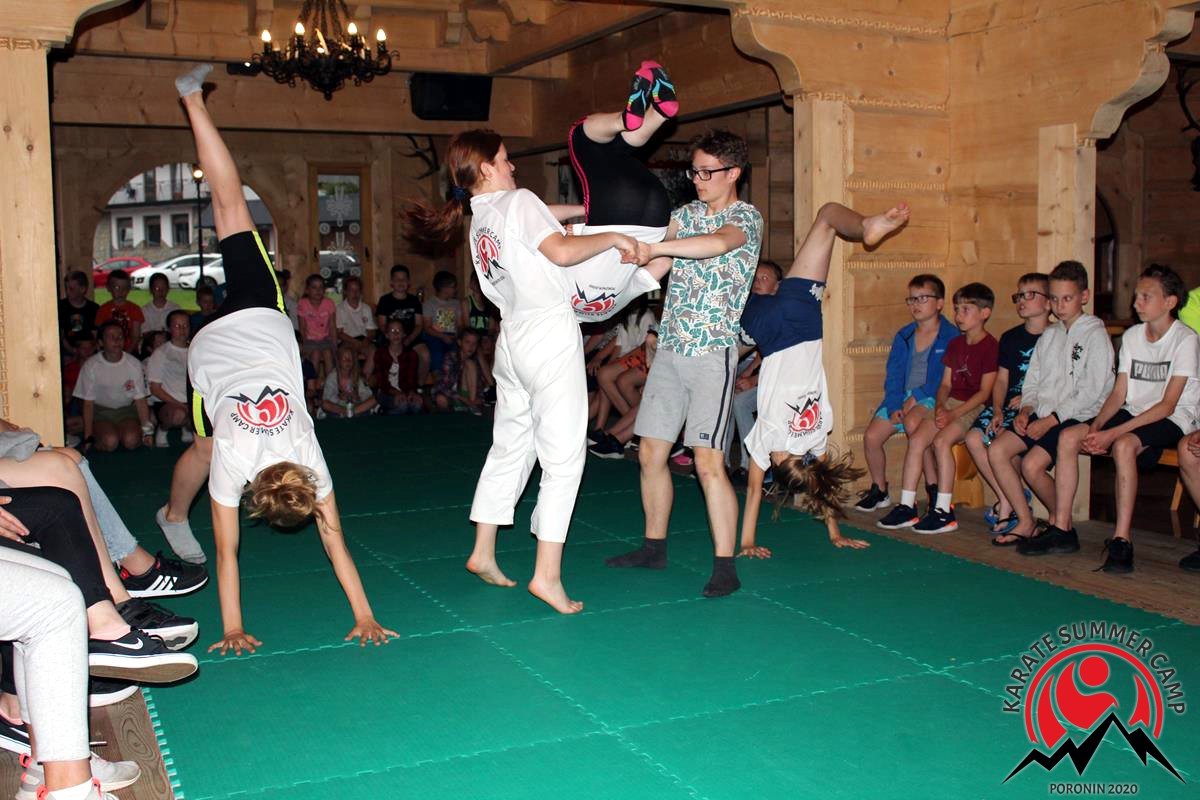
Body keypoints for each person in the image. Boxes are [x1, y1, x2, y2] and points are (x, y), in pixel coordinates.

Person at [160, 64, 397, 654]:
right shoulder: (236, 468)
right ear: (257, 498)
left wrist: (367, 615)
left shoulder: (309, 456)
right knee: (207, 447)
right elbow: (229, 552)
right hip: (209, 351)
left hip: (257, 320)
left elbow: (334, 541)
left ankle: (193, 100)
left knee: (229, 204)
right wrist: (232, 629)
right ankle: (172, 514)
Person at [404, 121, 640, 613]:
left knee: (511, 445)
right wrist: (612, 236)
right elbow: (562, 250)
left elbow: (537, 215)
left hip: (511, 340)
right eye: (505, 158)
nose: (512, 165)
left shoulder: (481, 215)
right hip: (548, 333)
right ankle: (547, 576)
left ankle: (483, 550)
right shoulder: (517, 202)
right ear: (487, 167)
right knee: (564, 456)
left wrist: (581, 212)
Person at [604, 127, 763, 599]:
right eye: (694, 171)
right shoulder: (686, 215)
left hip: (712, 355)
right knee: (649, 453)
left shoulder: (745, 218)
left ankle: (725, 565)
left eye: (707, 172)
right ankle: (653, 548)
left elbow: (716, 244)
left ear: (733, 173)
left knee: (707, 462)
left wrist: (658, 249)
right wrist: (608, 292)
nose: (697, 179)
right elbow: (654, 263)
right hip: (671, 350)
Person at [736, 203, 909, 557]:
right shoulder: (770, 440)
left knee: (828, 216)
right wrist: (747, 541)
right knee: (740, 288)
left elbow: (822, 485)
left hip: (805, 324)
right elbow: (754, 493)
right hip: (771, 330)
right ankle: (867, 225)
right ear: (777, 464)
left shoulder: (815, 437)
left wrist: (835, 532)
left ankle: (867, 224)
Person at [1058, 265, 1200, 572]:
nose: (1137, 303)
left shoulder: (1185, 339)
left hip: (1175, 416)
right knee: (1070, 436)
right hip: (1135, 411)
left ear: (1170, 302)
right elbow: (1119, 393)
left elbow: (1167, 405)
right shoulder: (1133, 336)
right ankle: (1061, 529)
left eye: (1146, 296)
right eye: (1136, 296)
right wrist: (1097, 426)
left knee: (1123, 445)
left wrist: (1112, 434)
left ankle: (1122, 541)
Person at [987, 260, 1114, 550]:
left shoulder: (1095, 334)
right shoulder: (1050, 334)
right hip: (1044, 413)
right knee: (998, 450)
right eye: (1054, 299)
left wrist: (1052, 419)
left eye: (1067, 298)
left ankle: (1061, 523)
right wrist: (1026, 409)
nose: (1059, 306)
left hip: (1077, 416)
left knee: (1032, 465)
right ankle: (1027, 520)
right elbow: (1033, 381)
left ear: (1084, 296)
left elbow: (1092, 391)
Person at [879, 283, 999, 534]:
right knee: (917, 440)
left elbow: (984, 393)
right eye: (957, 309)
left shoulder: (990, 346)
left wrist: (953, 413)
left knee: (941, 442)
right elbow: (945, 384)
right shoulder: (956, 344)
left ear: (984, 313)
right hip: (951, 404)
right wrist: (941, 407)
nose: (958, 316)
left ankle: (944, 510)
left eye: (965, 310)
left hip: (973, 407)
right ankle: (907, 506)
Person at [854, 274, 957, 512]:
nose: (915, 305)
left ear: (939, 303)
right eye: (911, 299)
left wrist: (916, 397)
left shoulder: (951, 336)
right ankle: (880, 490)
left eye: (922, 298)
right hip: (902, 396)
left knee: (914, 426)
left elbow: (943, 378)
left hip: (932, 395)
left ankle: (933, 488)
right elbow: (894, 374)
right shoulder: (904, 335)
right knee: (871, 437)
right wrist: (893, 405)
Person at [964, 274, 1050, 540]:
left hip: (1036, 406)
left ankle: (1013, 508)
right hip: (1007, 404)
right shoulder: (1011, 337)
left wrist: (1027, 398)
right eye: (1019, 295)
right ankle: (1008, 498)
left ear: (1049, 302)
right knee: (973, 437)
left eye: (1030, 294)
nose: (1022, 300)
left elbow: (1055, 383)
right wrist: (998, 408)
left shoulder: (1056, 337)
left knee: (1001, 443)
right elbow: (1001, 380)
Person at [73, 323, 154, 452]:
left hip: (126, 412)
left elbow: (140, 400)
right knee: (110, 442)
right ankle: (101, 433)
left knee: (131, 440)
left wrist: (147, 432)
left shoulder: (134, 364)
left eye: (120, 336)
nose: (117, 340)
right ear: (101, 342)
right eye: (111, 336)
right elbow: (87, 403)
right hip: (101, 413)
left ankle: (124, 431)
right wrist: (88, 437)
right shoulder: (91, 365)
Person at [375, 264, 430, 385]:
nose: (400, 282)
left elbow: (419, 324)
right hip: (390, 338)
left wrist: (409, 339)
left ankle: (419, 386)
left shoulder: (414, 301)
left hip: (411, 338)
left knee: (425, 354)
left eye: (404, 279)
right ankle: (388, 386)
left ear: (408, 282)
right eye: (397, 279)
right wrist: (394, 338)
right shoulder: (384, 300)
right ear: (391, 283)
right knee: (389, 354)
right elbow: (382, 324)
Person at [145, 310, 193, 447]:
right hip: (168, 403)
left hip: (190, 400)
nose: (182, 329)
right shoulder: (161, 353)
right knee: (179, 414)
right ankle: (163, 429)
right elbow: (155, 389)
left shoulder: (195, 349)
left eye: (185, 325)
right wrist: (180, 405)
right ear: (169, 329)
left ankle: (187, 427)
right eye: (177, 326)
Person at [372, 319, 422, 415]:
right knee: (402, 405)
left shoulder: (411, 354)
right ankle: (384, 413)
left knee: (416, 405)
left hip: (405, 391)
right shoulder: (380, 354)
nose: (396, 334)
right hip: (386, 392)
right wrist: (396, 393)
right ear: (387, 335)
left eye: (399, 330)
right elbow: (382, 382)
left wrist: (412, 392)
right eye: (392, 331)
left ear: (404, 334)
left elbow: (412, 379)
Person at [298, 274, 337, 380]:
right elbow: (302, 327)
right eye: (314, 287)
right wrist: (303, 346)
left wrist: (335, 346)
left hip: (325, 339)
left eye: (321, 287)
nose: (318, 290)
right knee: (315, 354)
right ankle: (313, 384)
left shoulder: (329, 303)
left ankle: (329, 383)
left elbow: (332, 326)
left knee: (328, 354)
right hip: (309, 340)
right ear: (307, 290)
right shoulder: (303, 303)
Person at [335, 275, 376, 376]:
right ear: (345, 292)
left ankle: (364, 378)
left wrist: (367, 340)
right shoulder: (340, 308)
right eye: (351, 290)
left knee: (374, 352)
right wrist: (354, 342)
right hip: (347, 339)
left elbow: (371, 331)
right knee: (348, 353)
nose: (355, 293)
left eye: (357, 290)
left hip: (363, 339)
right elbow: (339, 333)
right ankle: (350, 380)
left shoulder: (366, 308)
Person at [321, 346, 378, 419]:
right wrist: (339, 397)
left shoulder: (357, 376)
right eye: (344, 359)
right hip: (339, 407)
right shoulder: (333, 376)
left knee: (375, 399)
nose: (348, 362)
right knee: (325, 404)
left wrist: (357, 397)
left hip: (356, 406)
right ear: (339, 361)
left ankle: (352, 412)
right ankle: (346, 412)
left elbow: (367, 394)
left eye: (350, 359)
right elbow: (327, 397)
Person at [94, 271, 143, 353]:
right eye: (117, 287)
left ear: (129, 289)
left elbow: (136, 336)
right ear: (109, 288)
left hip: (130, 352)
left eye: (125, 288)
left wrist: (127, 353)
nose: (121, 291)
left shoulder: (135, 309)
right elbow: (99, 334)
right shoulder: (103, 309)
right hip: (109, 351)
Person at [58, 271, 100, 357]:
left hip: (89, 351)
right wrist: (73, 351)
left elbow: (96, 336)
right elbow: (61, 336)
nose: (67, 292)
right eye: (66, 288)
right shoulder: (61, 307)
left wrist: (90, 351)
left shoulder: (94, 308)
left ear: (83, 289)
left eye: (71, 289)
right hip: (67, 351)